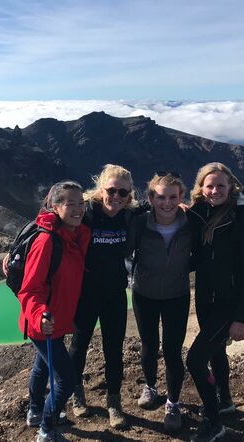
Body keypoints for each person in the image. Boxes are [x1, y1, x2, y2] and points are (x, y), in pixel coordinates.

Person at [186, 162, 244, 442]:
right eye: (210, 185)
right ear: (201, 188)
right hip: (207, 299)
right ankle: (225, 401)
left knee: (195, 360)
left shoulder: (243, 217)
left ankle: (213, 421)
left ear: (231, 186)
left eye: (221, 185)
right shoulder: (200, 213)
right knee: (217, 352)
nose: (215, 190)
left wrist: (243, 317)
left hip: (229, 304)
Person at [18, 181, 90, 442]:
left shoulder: (72, 234)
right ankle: (46, 430)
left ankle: (35, 411)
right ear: (55, 206)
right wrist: (39, 317)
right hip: (43, 324)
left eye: (81, 202)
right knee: (66, 381)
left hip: (56, 323)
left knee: (42, 368)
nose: (78, 209)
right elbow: (30, 289)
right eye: (70, 204)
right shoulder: (47, 241)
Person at [68, 164, 138, 429]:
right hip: (85, 294)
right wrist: (16, 250)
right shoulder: (84, 212)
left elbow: (165, 210)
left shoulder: (130, 216)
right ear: (101, 189)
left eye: (123, 192)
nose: (116, 196)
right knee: (78, 346)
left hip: (115, 294)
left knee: (114, 349)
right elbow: (49, 221)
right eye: (111, 190)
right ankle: (76, 394)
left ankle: (113, 401)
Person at [130, 172, 191, 433]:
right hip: (144, 294)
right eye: (161, 197)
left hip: (177, 294)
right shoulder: (139, 223)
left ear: (181, 197)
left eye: (173, 197)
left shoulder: (192, 222)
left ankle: (173, 403)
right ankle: (151, 387)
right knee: (148, 345)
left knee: (173, 350)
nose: (167, 203)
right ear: (151, 198)